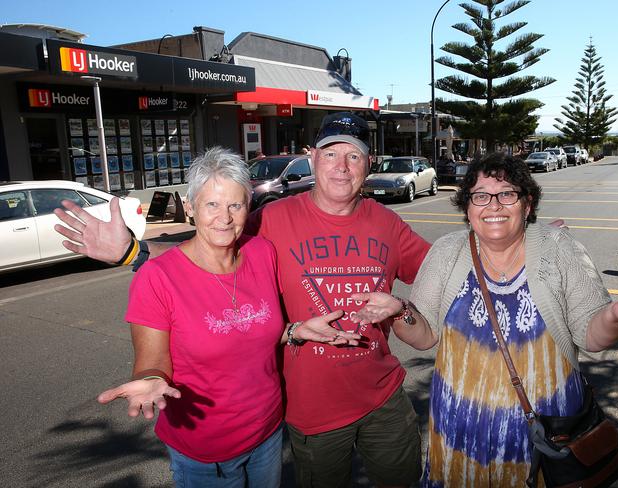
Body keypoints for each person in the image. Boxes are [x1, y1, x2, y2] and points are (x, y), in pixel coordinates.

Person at [54, 113, 430, 488]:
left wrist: (483, 239)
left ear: (368, 164)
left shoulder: (386, 224)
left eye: (354, 156)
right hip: (310, 412)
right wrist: (132, 251)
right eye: (331, 154)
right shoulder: (271, 220)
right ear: (312, 157)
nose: (342, 167)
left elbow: (440, 271)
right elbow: (204, 246)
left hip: (375, 399)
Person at [351, 152, 618, 487]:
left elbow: (591, 337)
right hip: (460, 432)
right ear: (467, 206)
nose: (493, 205)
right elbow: (424, 336)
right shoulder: (446, 252)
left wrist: (614, 315)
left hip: (544, 431)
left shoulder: (559, 249)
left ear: (527, 203)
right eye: (480, 196)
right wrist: (399, 309)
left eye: (506, 194)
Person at [86, 147, 360, 487]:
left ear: (248, 206)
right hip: (205, 451)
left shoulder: (262, 253)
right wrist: (153, 379)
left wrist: (297, 330)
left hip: (268, 434)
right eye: (212, 204)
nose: (225, 217)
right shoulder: (157, 277)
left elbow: (254, 329)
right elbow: (152, 359)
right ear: (190, 207)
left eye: (235, 204)